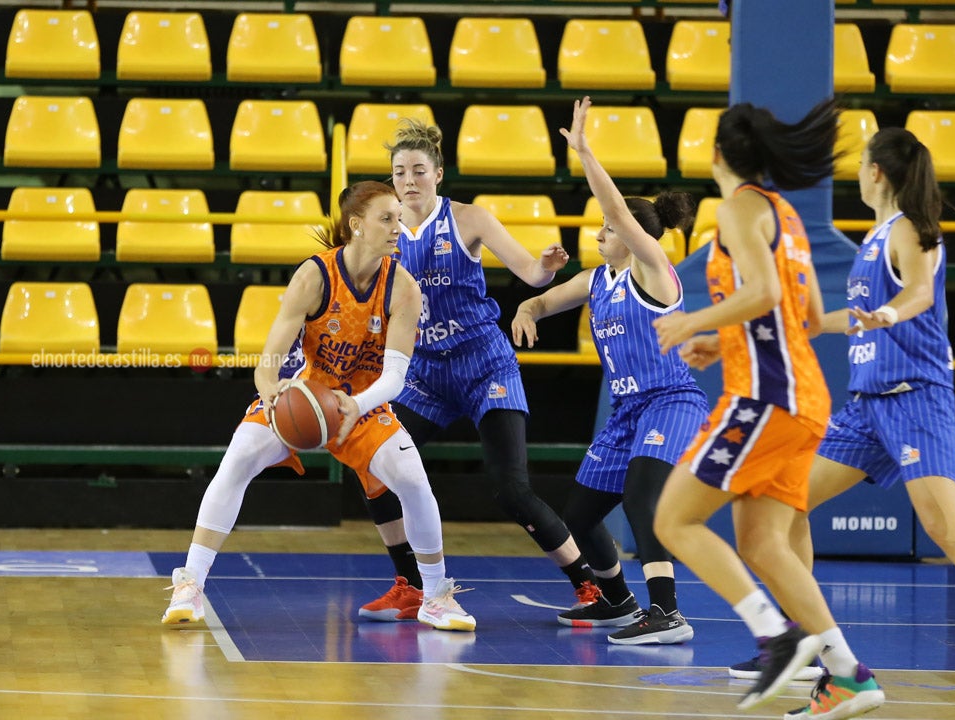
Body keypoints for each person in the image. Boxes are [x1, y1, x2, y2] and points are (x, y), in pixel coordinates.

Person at [759, 126, 955, 716]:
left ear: (876, 172)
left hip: (914, 397)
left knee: (946, 528)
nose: (855, 173)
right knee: (787, 503)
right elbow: (856, 316)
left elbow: (920, 293)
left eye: (860, 165)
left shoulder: (910, 228)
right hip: (866, 407)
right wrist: (804, 323)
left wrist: (888, 314)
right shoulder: (874, 237)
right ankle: (824, 656)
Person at [652, 99, 885, 717]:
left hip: (766, 397)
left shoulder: (737, 208)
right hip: (804, 399)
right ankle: (849, 675)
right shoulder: (787, 215)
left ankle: (775, 637)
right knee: (762, 543)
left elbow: (762, 292)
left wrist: (692, 321)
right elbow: (804, 317)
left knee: (673, 520)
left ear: (716, 153)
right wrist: (721, 339)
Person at [162, 181, 474, 632]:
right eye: (387, 218)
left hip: (361, 403)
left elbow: (395, 378)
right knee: (239, 459)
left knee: (413, 480)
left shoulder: (404, 288)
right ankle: (190, 584)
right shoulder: (315, 276)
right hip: (302, 395)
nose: (397, 227)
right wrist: (270, 391)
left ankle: (435, 595)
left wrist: (356, 405)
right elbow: (269, 360)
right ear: (357, 225)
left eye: (399, 218)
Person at [356, 117, 601, 624]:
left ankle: (589, 586)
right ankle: (410, 585)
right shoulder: (382, 232)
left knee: (511, 489)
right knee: (374, 467)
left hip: (483, 365)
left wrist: (547, 266)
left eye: (418, 170)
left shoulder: (469, 219)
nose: (408, 180)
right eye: (399, 172)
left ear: (438, 174)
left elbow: (531, 272)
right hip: (425, 374)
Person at [509, 97, 705, 645]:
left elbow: (617, 210)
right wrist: (527, 309)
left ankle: (667, 612)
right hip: (627, 411)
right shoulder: (596, 280)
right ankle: (617, 601)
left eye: (607, 228)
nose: (599, 234)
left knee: (643, 498)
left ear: (633, 234)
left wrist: (585, 152)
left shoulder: (654, 270)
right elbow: (543, 301)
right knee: (579, 514)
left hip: (670, 400)